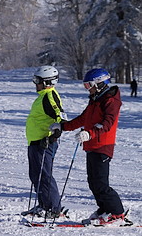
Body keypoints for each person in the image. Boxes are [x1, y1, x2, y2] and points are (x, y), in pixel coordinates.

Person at [50, 68, 128, 226]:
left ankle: (116, 213)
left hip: (103, 145)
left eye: (89, 85)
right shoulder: (96, 99)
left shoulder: (111, 100)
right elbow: (83, 119)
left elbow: (107, 123)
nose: (88, 89)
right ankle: (104, 209)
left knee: (101, 183)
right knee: (92, 182)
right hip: (92, 145)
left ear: (99, 84)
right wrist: (63, 126)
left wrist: (89, 133)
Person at [23, 66, 65, 219]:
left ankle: (53, 208)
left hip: (43, 143)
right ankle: (44, 205)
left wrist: (54, 135)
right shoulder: (43, 95)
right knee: (36, 175)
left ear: (47, 82)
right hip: (35, 142)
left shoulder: (49, 96)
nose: (35, 84)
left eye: (38, 81)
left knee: (44, 175)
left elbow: (60, 116)